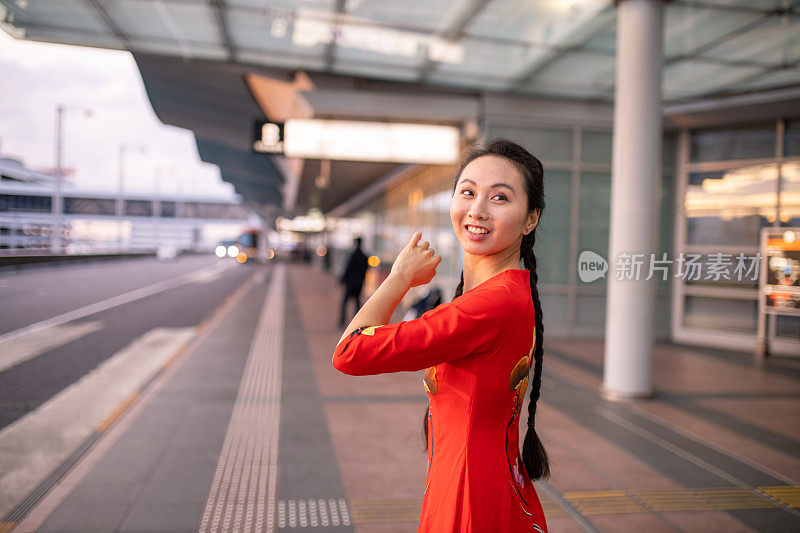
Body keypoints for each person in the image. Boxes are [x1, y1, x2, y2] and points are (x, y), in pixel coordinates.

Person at [332, 139, 549, 532]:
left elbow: (350, 352)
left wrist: (398, 278)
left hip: (469, 499)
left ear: (530, 219)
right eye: (467, 192)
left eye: (500, 198)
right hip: (486, 485)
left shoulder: (488, 306)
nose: (477, 210)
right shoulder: (510, 292)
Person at [339, 236, 369, 328]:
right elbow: (366, 271)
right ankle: (357, 324)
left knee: (344, 302)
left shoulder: (353, 255)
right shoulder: (364, 256)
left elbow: (348, 269)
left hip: (351, 283)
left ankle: (342, 321)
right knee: (357, 304)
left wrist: (343, 279)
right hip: (359, 283)